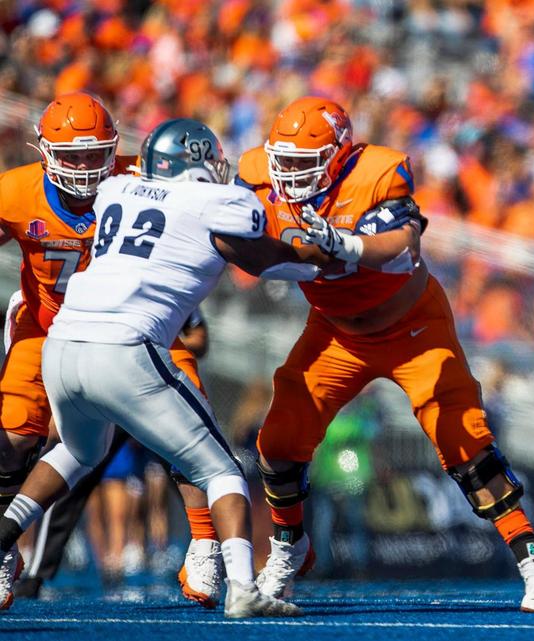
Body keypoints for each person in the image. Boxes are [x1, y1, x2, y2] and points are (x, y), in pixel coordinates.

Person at [236, 96, 534, 612]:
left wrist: (346, 246)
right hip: (335, 331)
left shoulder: (377, 173)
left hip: (412, 326)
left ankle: (531, 558)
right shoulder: (255, 174)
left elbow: (403, 243)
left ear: (340, 156)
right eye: (285, 162)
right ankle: (288, 546)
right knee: (278, 438)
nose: (291, 176)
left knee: (463, 441)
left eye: (305, 164)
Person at [0, 118, 323, 617]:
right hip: (127, 346)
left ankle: (3, 533)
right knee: (222, 471)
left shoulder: (115, 190)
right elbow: (264, 258)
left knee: (79, 452)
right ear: (195, 165)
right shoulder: (218, 202)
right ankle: (242, 587)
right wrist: (323, 254)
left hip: (62, 343)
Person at [0, 94, 222, 608]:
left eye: (94, 153)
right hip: (48, 326)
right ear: (44, 151)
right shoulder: (16, 193)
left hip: (138, 326)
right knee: (13, 437)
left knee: (192, 425)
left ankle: (205, 544)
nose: (83, 167)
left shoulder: (141, 183)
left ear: (114, 149)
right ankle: (7, 550)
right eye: (71, 155)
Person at [10, 310, 223, 606]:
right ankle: (34, 573)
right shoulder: (99, 278)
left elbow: (199, 337)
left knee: (197, 470)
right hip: (109, 389)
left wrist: (160, 340)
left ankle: (229, 557)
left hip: (156, 392)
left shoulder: (167, 279)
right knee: (72, 474)